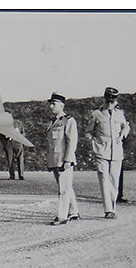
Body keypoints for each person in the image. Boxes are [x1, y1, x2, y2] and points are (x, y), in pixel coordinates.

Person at [85, 86, 130, 219]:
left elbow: (126, 125)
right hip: (101, 151)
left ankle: (113, 207)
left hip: (116, 151)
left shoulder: (119, 113)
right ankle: (108, 210)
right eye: (109, 99)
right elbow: (88, 131)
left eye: (113, 100)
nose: (111, 102)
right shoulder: (96, 114)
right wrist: (93, 143)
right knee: (104, 178)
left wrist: (123, 134)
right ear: (105, 98)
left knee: (114, 180)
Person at [45, 92, 80, 226]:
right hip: (55, 159)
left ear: (61, 105)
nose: (51, 107)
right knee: (66, 187)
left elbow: (72, 142)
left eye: (54, 104)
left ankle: (62, 216)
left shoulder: (68, 120)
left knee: (63, 190)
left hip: (63, 160)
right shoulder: (53, 122)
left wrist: (68, 160)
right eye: (51, 104)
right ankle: (74, 211)